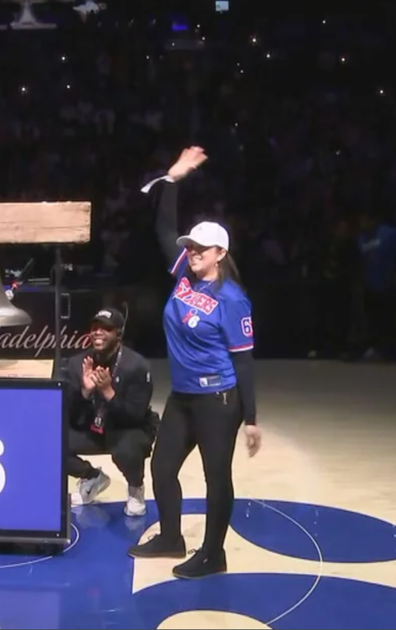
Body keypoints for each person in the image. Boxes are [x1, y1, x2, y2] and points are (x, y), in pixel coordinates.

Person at [129, 147, 262, 579]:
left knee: (215, 477)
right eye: (190, 247)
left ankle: (213, 554)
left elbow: (244, 363)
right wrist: (174, 177)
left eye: (201, 248)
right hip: (184, 397)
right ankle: (171, 537)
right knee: (162, 466)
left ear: (220, 252)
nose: (192, 253)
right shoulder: (184, 276)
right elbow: (163, 226)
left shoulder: (232, 300)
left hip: (219, 399)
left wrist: (252, 418)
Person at [63, 306, 158, 517]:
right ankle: (91, 477)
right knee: (49, 440)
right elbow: (66, 413)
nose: (98, 332)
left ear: (118, 334)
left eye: (105, 328)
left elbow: (135, 415)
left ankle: (135, 488)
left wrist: (108, 393)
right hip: (92, 427)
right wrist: (85, 393)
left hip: (127, 429)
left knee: (127, 448)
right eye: (95, 328)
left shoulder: (136, 366)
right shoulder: (78, 364)